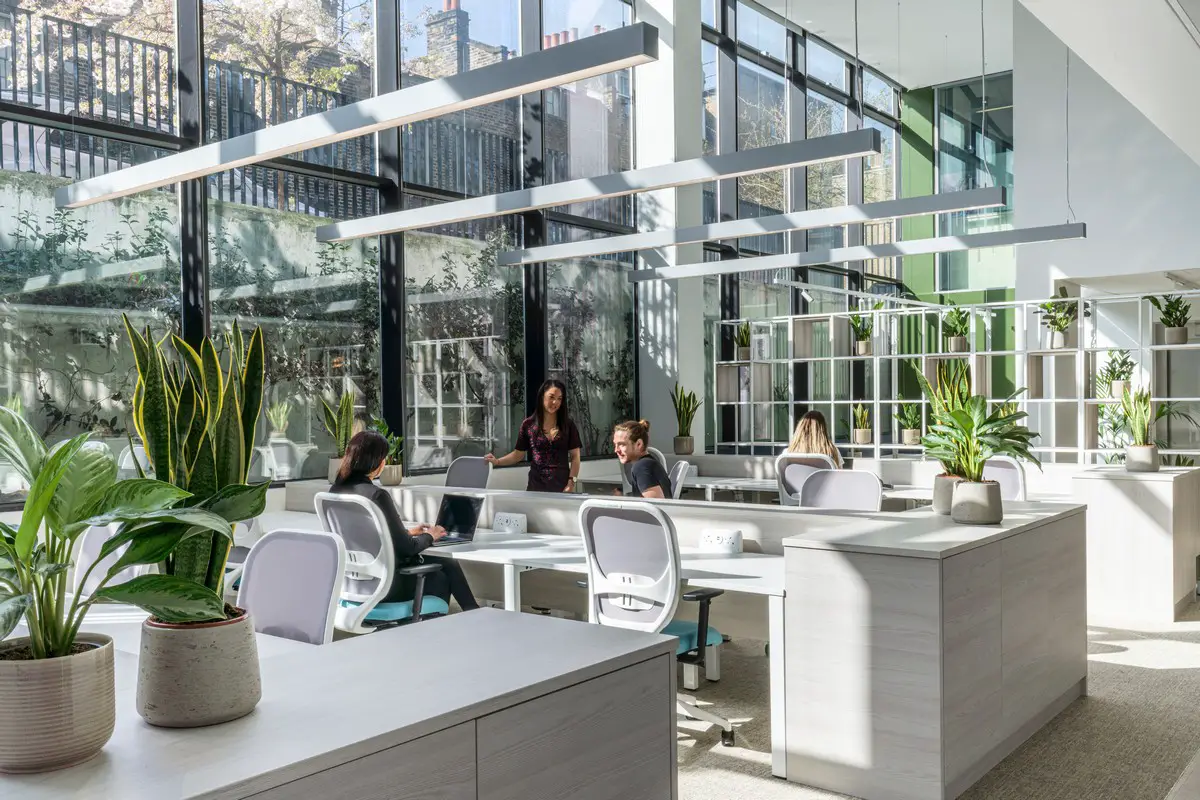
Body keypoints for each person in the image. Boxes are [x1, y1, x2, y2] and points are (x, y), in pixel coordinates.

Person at [329, 431, 479, 612]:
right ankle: (471, 613)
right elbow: (407, 548)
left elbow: (367, 537)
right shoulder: (376, 495)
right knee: (441, 574)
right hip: (388, 587)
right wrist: (430, 535)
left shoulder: (334, 492)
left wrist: (408, 533)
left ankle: (473, 612)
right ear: (377, 462)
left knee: (444, 562)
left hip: (354, 584)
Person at [485, 379, 582, 493]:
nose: (555, 402)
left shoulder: (568, 425)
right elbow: (518, 455)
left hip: (562, 489)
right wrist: (497, 462)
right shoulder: (528, 425)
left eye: (559, 399)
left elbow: (575, 457)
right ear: (542, 396)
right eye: (551, 397)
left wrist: (571, 483)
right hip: (535, 488)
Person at [613, 419, 672, 499]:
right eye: (615, 445)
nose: (616, 450)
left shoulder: (641, 467)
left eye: (622, 444)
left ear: (639, 444)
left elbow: (655, 507)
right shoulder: (648, 464)